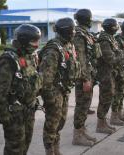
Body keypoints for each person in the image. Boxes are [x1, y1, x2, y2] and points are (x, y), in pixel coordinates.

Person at [0, 24, 42, 155]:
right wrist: (6, 116)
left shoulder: (29, 56)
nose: (37, 45)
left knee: (25, 144)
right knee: (14, 149)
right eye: (34, 41)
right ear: (24, 41)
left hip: (29, 110)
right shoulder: (8, 61)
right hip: (14, 115)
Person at [39, 18, 80, 155]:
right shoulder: (53, 49)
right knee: (52, 123)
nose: (74, 32)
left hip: (64, 90)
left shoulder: (68, 45)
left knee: (60, 121)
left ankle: (56, 149)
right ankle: (50, 150)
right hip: (54, 91)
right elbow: (46, 78)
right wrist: (50, 99)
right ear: (66, 30)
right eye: (72, 30)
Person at [72, 9, 99, 146]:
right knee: (82, 105)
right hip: (83, 76)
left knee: (85, 104)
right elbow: (80, 58)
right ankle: (77, 135)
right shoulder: (79, 34)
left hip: (89, 74)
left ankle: (81, 131)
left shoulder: (85, 33)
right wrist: (85, 79)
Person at [96, 18, 123, 134]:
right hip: (105, 73)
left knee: (109, 96)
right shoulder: (104, 40)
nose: (117, 28)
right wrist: (121, 56)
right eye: (115, 26)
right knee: (105, 97)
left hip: (110, 72)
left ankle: (103, 122)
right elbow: (110, 59)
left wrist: (119, 55)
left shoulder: (110, 38)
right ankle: (100, 124)